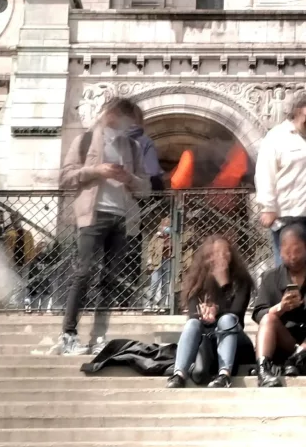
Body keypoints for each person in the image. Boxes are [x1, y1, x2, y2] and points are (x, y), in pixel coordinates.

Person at [57, 96, 156, 356]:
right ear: (114, 114)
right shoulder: (85, 141)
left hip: (122, 218)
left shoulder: (133, 148)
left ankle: (98, 337)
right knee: (83, 273)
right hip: (92, 216)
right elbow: (66, 177)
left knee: (110, 280)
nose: (131, 126)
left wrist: (129, 178)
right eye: (129, 119)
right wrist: (96, 170)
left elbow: (146, 189)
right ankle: (68, 334)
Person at [252, 92, 306, 269]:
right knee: (288, 262)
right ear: (298, 111)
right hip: (288, 211)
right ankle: (287, 296)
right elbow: (265, 172)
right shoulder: (277, 137)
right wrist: (268, 207)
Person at [252, 222, 306, 386]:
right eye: (287, 251)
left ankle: (298, 357)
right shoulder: (270, 277)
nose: (292, 256)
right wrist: (280, 308)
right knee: (269, 319)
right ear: (280, 251)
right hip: (286, 340)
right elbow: (258, 314)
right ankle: (263, 371)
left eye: (297, 250)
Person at [171, 233, 252, 388]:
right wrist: (203, 315)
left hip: (235, 337)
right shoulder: (197, 282)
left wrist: (224, 285)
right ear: (207, 258)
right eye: (215, 254)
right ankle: (179, 374)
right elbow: (193, 315)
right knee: (192, 324)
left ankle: (224, 375)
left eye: (225, 252)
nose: (221, 257)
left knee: (227, 320)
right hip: (207, 339)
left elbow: (236, 315)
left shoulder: (242, 281)